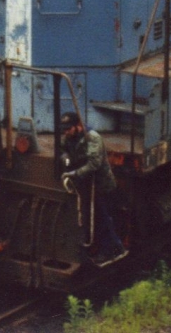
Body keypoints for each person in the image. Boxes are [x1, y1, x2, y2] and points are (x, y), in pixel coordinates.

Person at [59, 111, 127, 266]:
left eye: (68, 128)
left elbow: (94, 164)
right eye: (64, 129)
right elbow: (62, 148)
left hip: (100, 185)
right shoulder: (69, 137)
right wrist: (65, 157)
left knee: (102, 218)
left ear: (77, 126)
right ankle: (97, 247)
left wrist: (74, 173)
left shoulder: (93, 138)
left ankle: (114, 250)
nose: (66, 132)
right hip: (86, 184)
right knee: (92, 217)